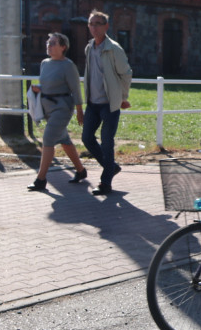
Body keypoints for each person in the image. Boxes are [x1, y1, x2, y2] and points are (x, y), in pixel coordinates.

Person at [26, 33, 87, 191]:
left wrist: (80, 111)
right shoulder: (45, 63)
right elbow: (47, 83)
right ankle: (81, 171)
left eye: (53, 43)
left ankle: (41, 179)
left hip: (62, 108)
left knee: (48, 139)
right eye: (48, 43)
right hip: (48, 108)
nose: (49, 45)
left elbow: (76, 90)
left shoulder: (68, 65)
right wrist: (38, 89)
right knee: (64, 140)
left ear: (63, 47)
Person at [81, 10, 132, 195]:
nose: (94, 27)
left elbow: (126, 73)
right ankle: (111, 167)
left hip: (109, 103)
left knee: (107, 142)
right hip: (92, 103)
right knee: (86, 138)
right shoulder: (89, 48)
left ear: (106, 26)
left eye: (98, 23)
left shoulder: (114, 49)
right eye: (91, 24)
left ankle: (106, 182)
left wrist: (123, 97)